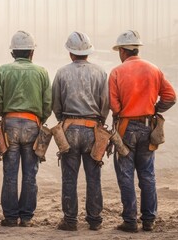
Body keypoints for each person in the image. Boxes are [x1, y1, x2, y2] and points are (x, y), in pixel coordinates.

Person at [109, 30, 176, 232]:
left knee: (126, 174)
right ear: (137, 48)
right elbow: (171, 97)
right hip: (148, 127)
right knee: (147, 174)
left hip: (126, 128)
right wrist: (154, 109)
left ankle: (130, 221)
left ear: (122, 51)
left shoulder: (116, 72)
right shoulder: (154, 69)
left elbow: (114, 106)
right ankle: (148, 220)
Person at [0, 30, 52, 227]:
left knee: (10, 172)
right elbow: (47, 105)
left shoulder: (2, 71)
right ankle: (26, 217)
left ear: (12, 53)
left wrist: (3, 116)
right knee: (30, 173)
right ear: (31, 53)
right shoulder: (42, 72)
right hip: (32, 124)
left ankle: (10, 217)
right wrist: (38, 119)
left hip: (9, 125)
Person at [52, 32, 109, 231]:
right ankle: (94, 220)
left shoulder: (61, 73)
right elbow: (105, 105)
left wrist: (64, 120)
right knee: (94, 177)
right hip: (93, 129)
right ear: (88, 53)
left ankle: (70, 221)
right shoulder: (101, 73)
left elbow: (56, 105)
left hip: (69, 129)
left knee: (69, 177)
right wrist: (99, 122)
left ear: (70, 53)